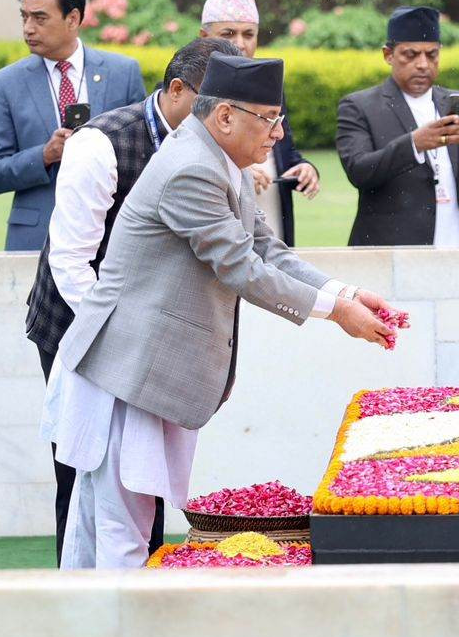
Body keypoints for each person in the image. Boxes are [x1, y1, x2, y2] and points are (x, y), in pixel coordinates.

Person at [43, 52, 396, 569]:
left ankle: (98, 635)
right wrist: (336, 313)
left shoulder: (218, 159)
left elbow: (267, 250)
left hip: (146, 367)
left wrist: (345, 293)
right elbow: (240, 268)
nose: (278, 133)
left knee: (111, 525)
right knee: (119, 530)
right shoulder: (192, 167)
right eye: (269, 118)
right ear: (226, 116)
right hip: (127, 366)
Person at [25, 36, 240, 563]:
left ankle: (140, 585)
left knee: (145, 476)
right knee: (80, 470)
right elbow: (72, 261)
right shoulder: (100, 144)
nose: (221, 119)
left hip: (154, 334)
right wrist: (122, 334)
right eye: (212, 106)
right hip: (77, 322)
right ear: (176, 90)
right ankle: (78, 589)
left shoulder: (215, 147)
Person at [0, 0, 145, 251]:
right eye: (24, 17)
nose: (28, 28)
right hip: (35, 241)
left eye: (40, 18)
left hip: (111, 240)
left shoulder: (123, 74)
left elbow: (146, 159)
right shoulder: (6, 84)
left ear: (73, 19)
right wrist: (45, 155)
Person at [336, 6, 459, 246]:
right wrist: (413, 145)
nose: (422, 64)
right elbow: (359, 171)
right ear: (388, 55)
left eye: (432, 55)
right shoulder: (359, 106)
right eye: (410, 54)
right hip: (394, 250)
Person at [198, 0, 318, 245]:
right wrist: (237, 171)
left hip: (271, 214)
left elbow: (284, 151)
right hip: (218, 223)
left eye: (248, 34)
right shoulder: (189, 89)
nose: (240, 44)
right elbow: (185, 158)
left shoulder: (271, 86)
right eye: (228, 33)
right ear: (204, 38)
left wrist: (303, 168)